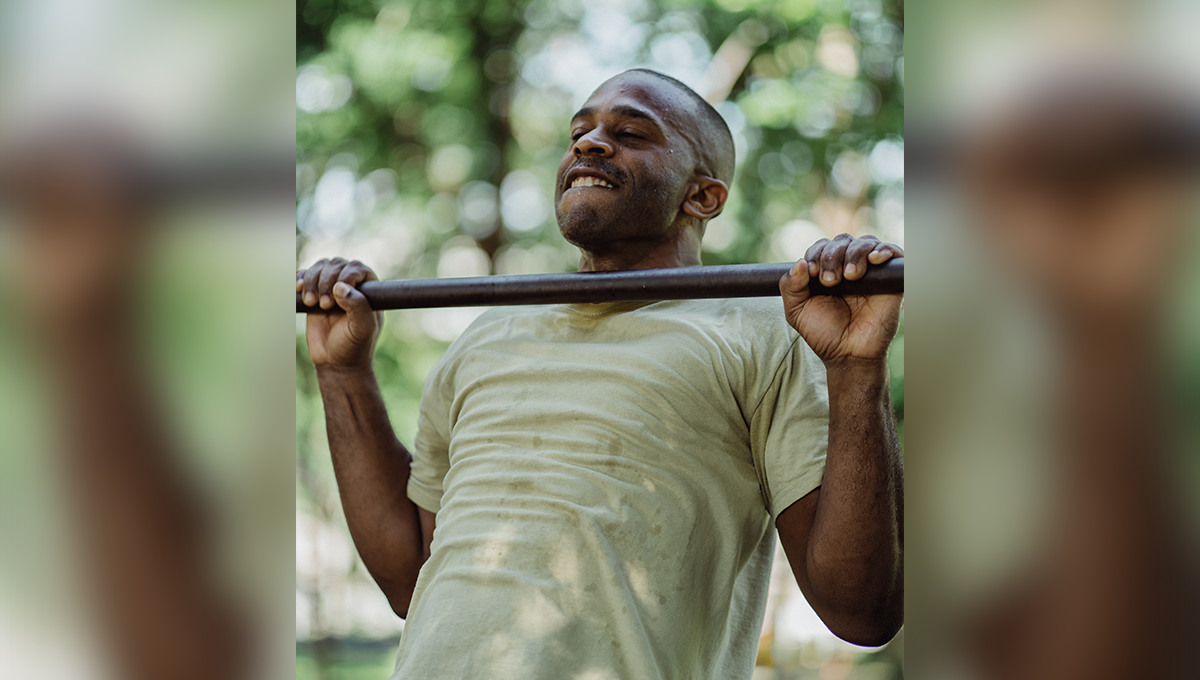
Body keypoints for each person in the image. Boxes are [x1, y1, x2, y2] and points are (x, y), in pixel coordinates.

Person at [298, 68, 903, 679]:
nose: (589, 143)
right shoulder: (484, 339)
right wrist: (342, 374)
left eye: (633, 133)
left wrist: (856, 370)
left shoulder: (763, 334)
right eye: (578, 131)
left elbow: (862, 613)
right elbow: (410, 579)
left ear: (703, 197)